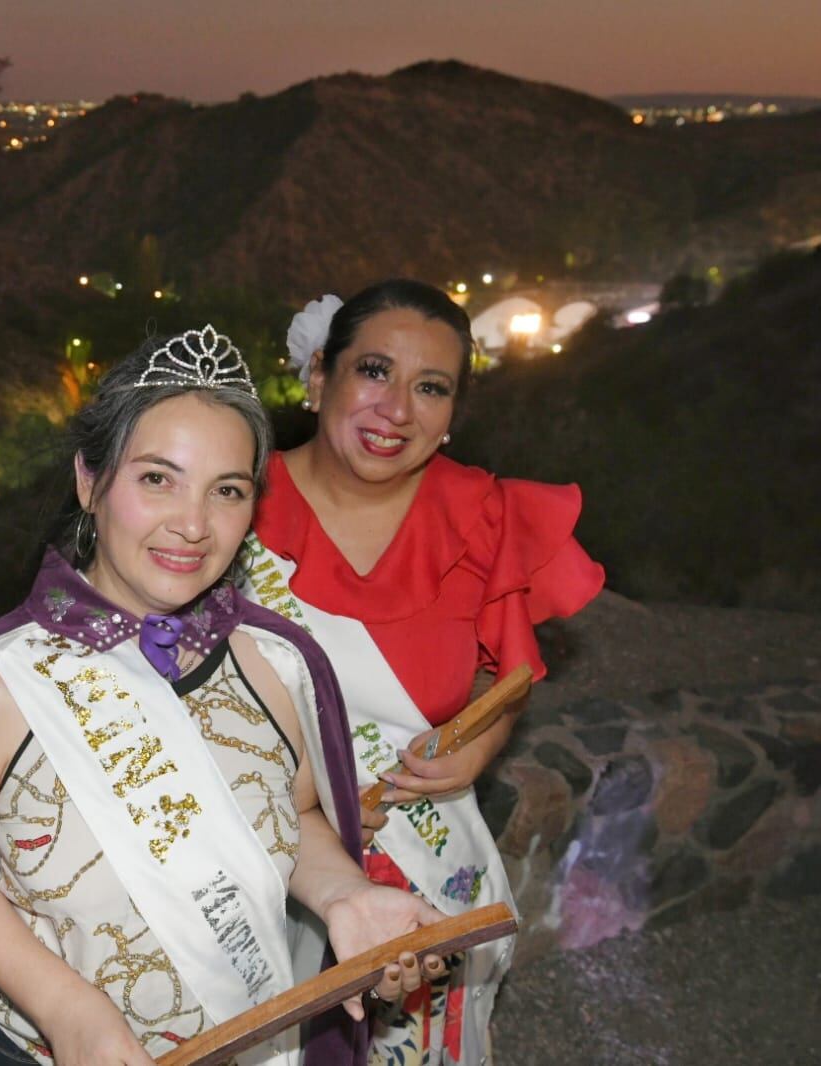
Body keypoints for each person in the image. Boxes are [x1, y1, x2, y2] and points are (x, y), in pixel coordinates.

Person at [0, 325, 449, 1066]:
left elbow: (298, 814)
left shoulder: (275, 662)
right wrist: (66, 1007)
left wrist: (344, 893)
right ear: (90, 482)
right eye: (157, 479)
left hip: (252, 1040)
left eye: (227, 491)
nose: (192, 525)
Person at [245, 280, 605, 1066]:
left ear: (450, 416)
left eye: (430, 387)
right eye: (373, 370)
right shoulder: (231, 505)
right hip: (255, 876)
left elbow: (501, 679)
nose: (397, 409)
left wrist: (473, 751)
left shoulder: (482, 515)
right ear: (316, 378)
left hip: (426, 871)